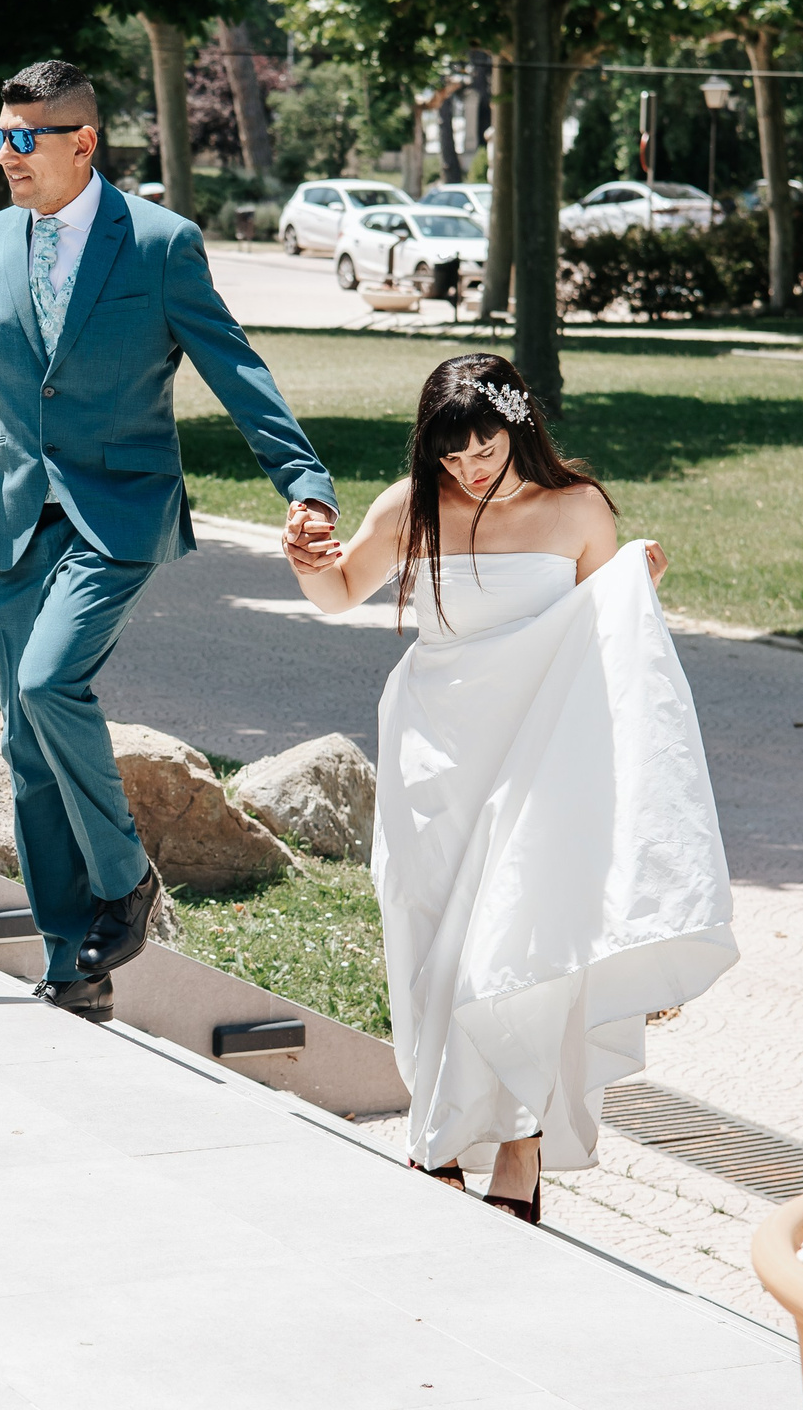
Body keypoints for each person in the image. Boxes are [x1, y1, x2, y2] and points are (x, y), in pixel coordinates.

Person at [0, 59, 339, 1023]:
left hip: (120, 514)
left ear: (83, 143)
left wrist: (305, 484)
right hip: (16, 518)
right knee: (27, 746)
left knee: (47, 682)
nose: (7, 155)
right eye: (0, 137)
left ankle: (125, 878)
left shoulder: (158, 244)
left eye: (25, 138)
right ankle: (74, 963)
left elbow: (238, 370)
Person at [286, 353, 739, 1221]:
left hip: (538, 757)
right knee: (426, 943)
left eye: (483, 445)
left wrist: (632, 595)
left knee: (520, 942)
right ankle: (442, 1131)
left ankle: (520, 1142)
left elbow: (611, 646)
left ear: (517, 422)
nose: (469, 467)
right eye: (450, 455)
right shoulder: (411, 507)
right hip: (434, 754)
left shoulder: (578, 509)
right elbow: (340, 591)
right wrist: (305, 558)